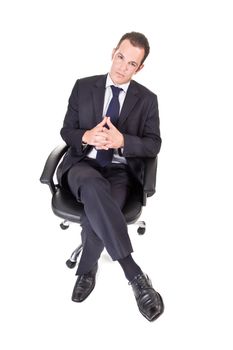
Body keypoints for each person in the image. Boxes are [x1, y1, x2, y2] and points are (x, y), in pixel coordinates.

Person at [57, 31, 164, 322]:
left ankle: (87, 268)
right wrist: (87, 135)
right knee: (92, 185)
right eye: (120, 57)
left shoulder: (147, 100)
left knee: (98, 212)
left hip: (119, 172)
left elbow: (154, 144)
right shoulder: (83, 87)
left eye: (131, 64)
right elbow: (67, 131)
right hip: (83, 166)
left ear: (139, 68)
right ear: (113, 52)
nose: (122, 67)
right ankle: (135, 275)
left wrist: (122, 142)